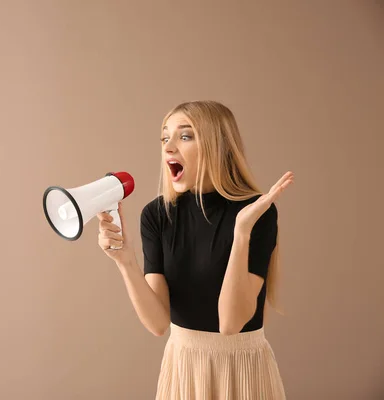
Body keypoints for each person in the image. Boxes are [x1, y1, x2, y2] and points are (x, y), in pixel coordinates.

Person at [97, 100, 293, 399]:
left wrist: (240, 233)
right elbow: (159, 323)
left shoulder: (258, 213)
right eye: (165, 138)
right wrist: (125, 261)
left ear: (218, 145)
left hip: (241, 370)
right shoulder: (157, 215)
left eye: (185, 136)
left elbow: (230, 324)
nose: (169, 147)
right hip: (183, 367)